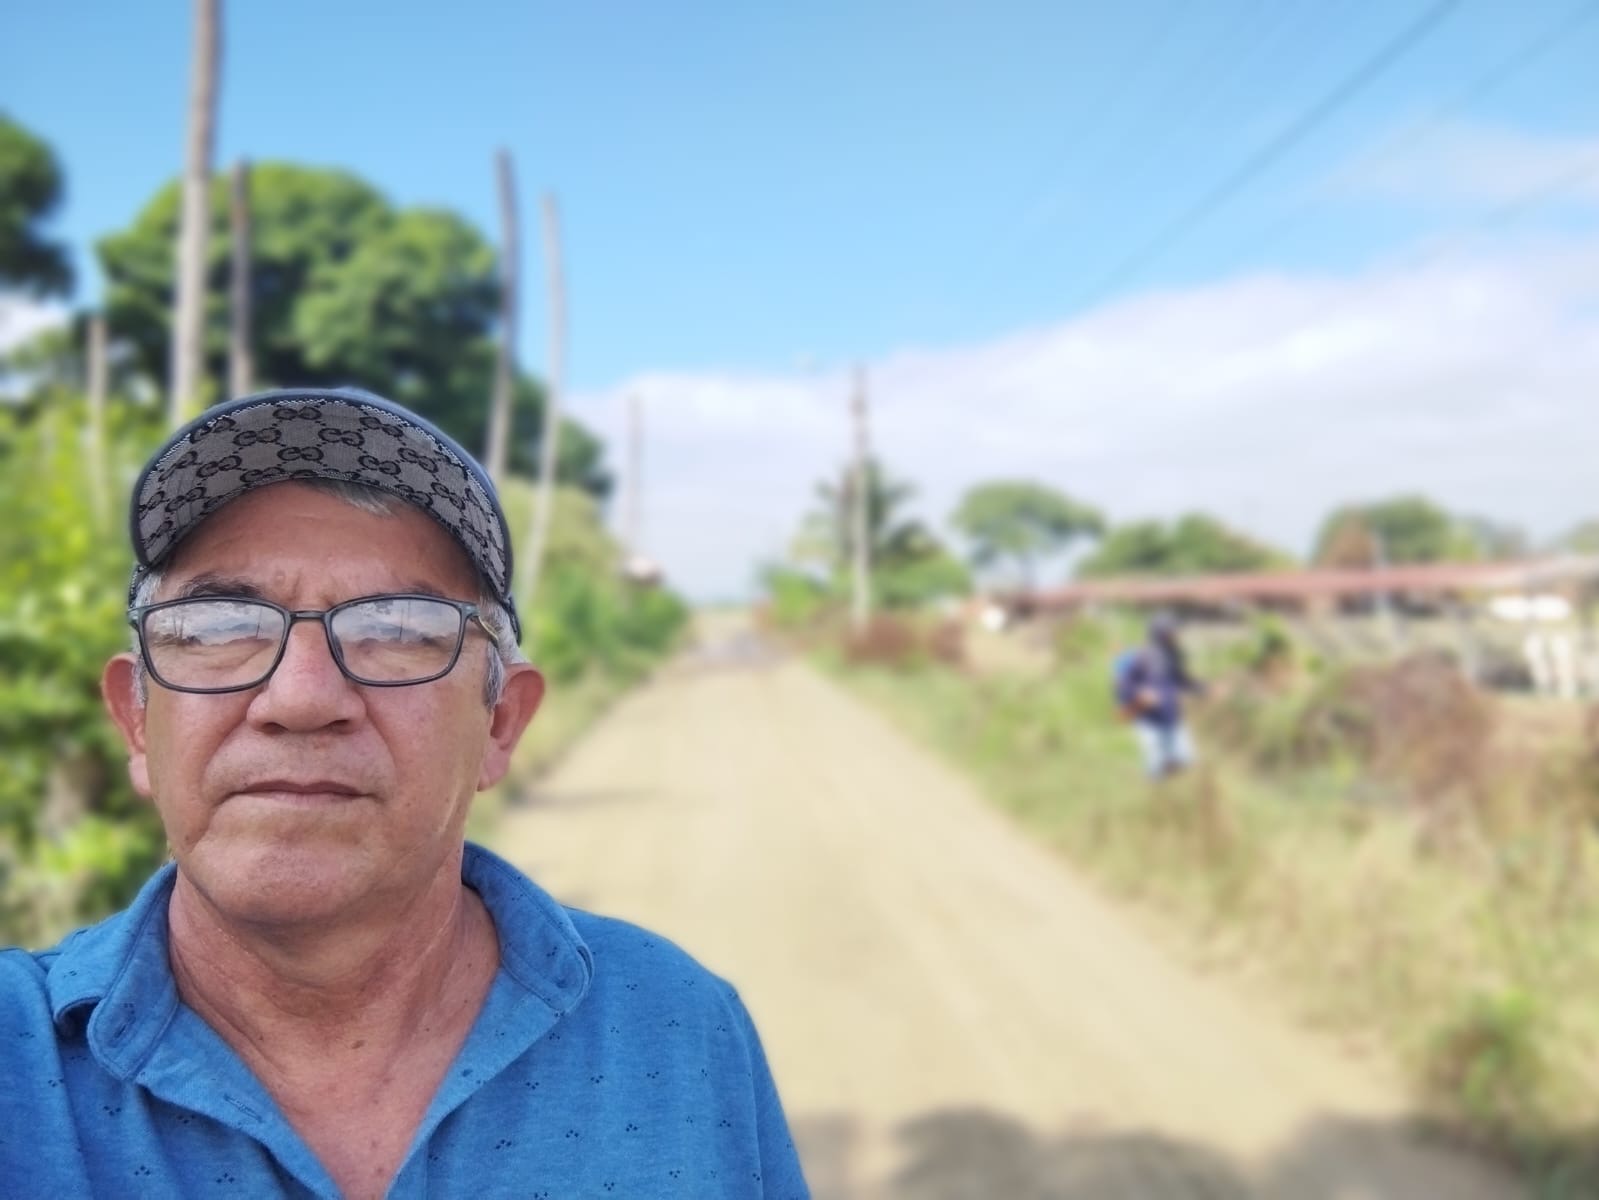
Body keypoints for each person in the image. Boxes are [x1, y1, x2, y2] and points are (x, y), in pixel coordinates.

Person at [0, 388, 810, 1199]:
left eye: (395, 629)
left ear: (500, 724)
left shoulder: (679, 1031)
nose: (301, 698)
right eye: (220, 625)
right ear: (137, 722)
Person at [1115, 613, 1205, 779]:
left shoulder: (1174, 656)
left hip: (1172, 717)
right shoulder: (1143, 656)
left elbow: (1181, 680)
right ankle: (1156, 790)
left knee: (1185, 760)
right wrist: (1141, 694)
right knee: (1156, 766)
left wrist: (1204, 689)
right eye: (1172, 632)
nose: (1176, 635)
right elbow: (1125, 685)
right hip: (1149, 721)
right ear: (1160, 634)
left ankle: (1174, 789)